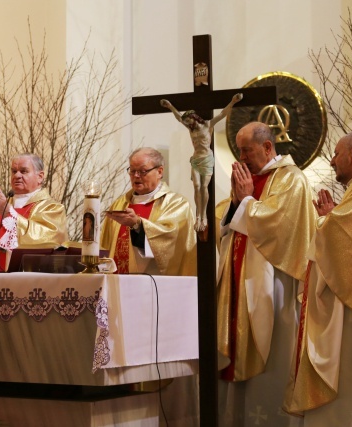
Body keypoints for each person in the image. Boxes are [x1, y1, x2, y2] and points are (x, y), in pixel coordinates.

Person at [283, 132, 352, 426]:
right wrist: (333, 218)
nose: (331, 161)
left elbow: (339, 243)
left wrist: (323, 222)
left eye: (335, 154)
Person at [217, 122, 317, 426]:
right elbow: (227, 227)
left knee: (273, 355)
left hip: (274, 289)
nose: (241, 157)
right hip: (236, 285)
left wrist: (246, 200)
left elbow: (279, 228)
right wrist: (237, 201)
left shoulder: (292, 180)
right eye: (239, 150)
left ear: (267, 147)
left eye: (246, 150)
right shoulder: (249, 181)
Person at [0, 153, 67, 272]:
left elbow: (48, 242)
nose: (17, 175)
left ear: (40, 177)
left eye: (24, 171)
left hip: (24, 284)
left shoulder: (52, 208)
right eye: (14, 171)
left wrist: (8, 213)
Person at [100, 147, 196, 276]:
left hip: (155, 287)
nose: (136, 176)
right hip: (116, 283)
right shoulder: (119, 204)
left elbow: (171, 245)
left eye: (142, 171)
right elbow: (105, 246)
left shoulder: (176, 203)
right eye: (132, 171)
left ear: (160, 171)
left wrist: (138, 225)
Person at [160, 93, 243, 232]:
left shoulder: (208, 124)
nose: (186, 123)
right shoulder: (190, 129)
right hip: (196, 159)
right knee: (197, 185)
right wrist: (170, 106)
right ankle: (198, 215)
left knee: (203, 186)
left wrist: (233, 101)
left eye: (188, 121)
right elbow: (178, 117)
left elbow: (223, 113)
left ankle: (203, 215)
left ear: (193, 119)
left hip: (206, 159)